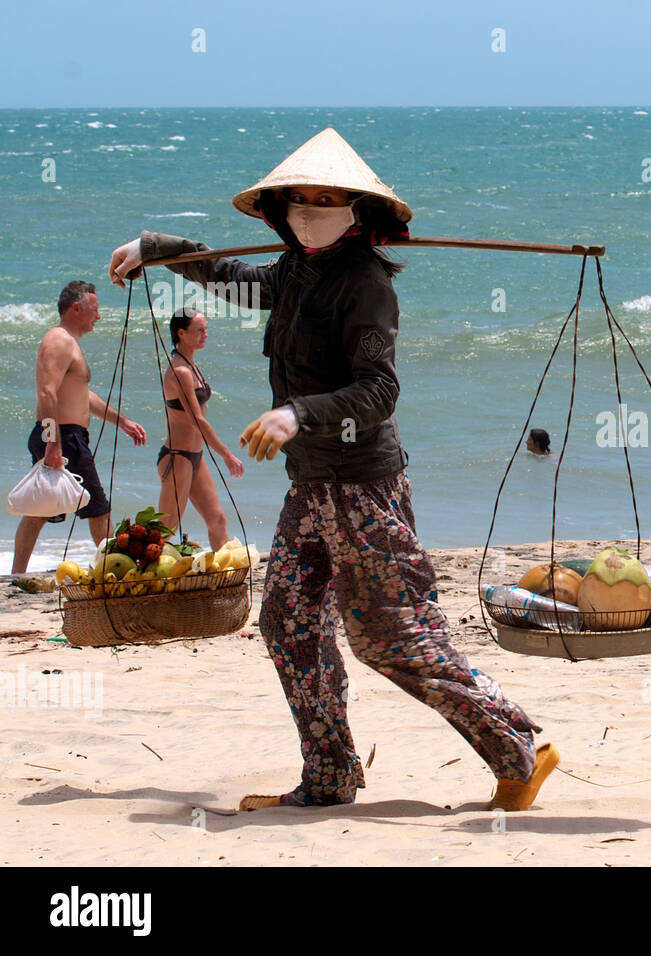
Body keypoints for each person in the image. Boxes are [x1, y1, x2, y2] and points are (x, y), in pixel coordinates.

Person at [108, 128, 557, 812]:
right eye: (303, 199)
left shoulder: (366, 286)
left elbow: (378, 391)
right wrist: (158, 249)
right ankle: (329, 774)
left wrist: (297, 413)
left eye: (329, 198)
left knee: (391, 639)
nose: (313, 208)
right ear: (280, 209)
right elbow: (233, 278)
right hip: (310, 487)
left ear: (358, 210)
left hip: (363, 488)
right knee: (288, 625)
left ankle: (518, 749)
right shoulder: (294, 272)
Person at [11, 281, 147, 573]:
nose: (98, 316)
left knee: (40, 509)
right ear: (77, 308)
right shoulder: (58, 340)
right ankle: (113, 571)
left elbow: (82, 396)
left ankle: (16, 575)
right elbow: (46, 392)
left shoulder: (69, 343)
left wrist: (121, 421)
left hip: (66, 436)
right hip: (62, 436)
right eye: (94, 309)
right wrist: (52, 441)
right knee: (98, 507)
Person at [157, 307, 245, 550]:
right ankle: (137, 577)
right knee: (165, 530)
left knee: (217, 520)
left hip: (195, 457)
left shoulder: (191, 364)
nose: (205, 334)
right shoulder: (180, 371)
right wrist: (227, 455)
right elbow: (197, 419)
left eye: (206, 330)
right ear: (181, 333)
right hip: (177, 457)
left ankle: (223, 578)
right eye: (199, 330)